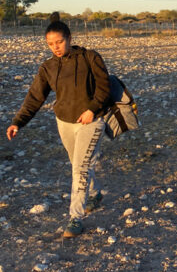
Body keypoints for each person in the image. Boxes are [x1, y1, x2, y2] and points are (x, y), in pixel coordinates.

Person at [6, 13, 111, 238]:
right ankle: (94, 194)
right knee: (77, 163)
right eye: (50, 44)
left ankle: (75, 218)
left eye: (59, 42)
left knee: (80, 168)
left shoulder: (90, 58)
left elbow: (104, 88)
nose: (55, 47)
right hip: (63, 121)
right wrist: (18, 122)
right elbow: (35, 97)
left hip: (90, 121)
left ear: (69, 38)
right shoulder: (48, 67)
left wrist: (92, 110)